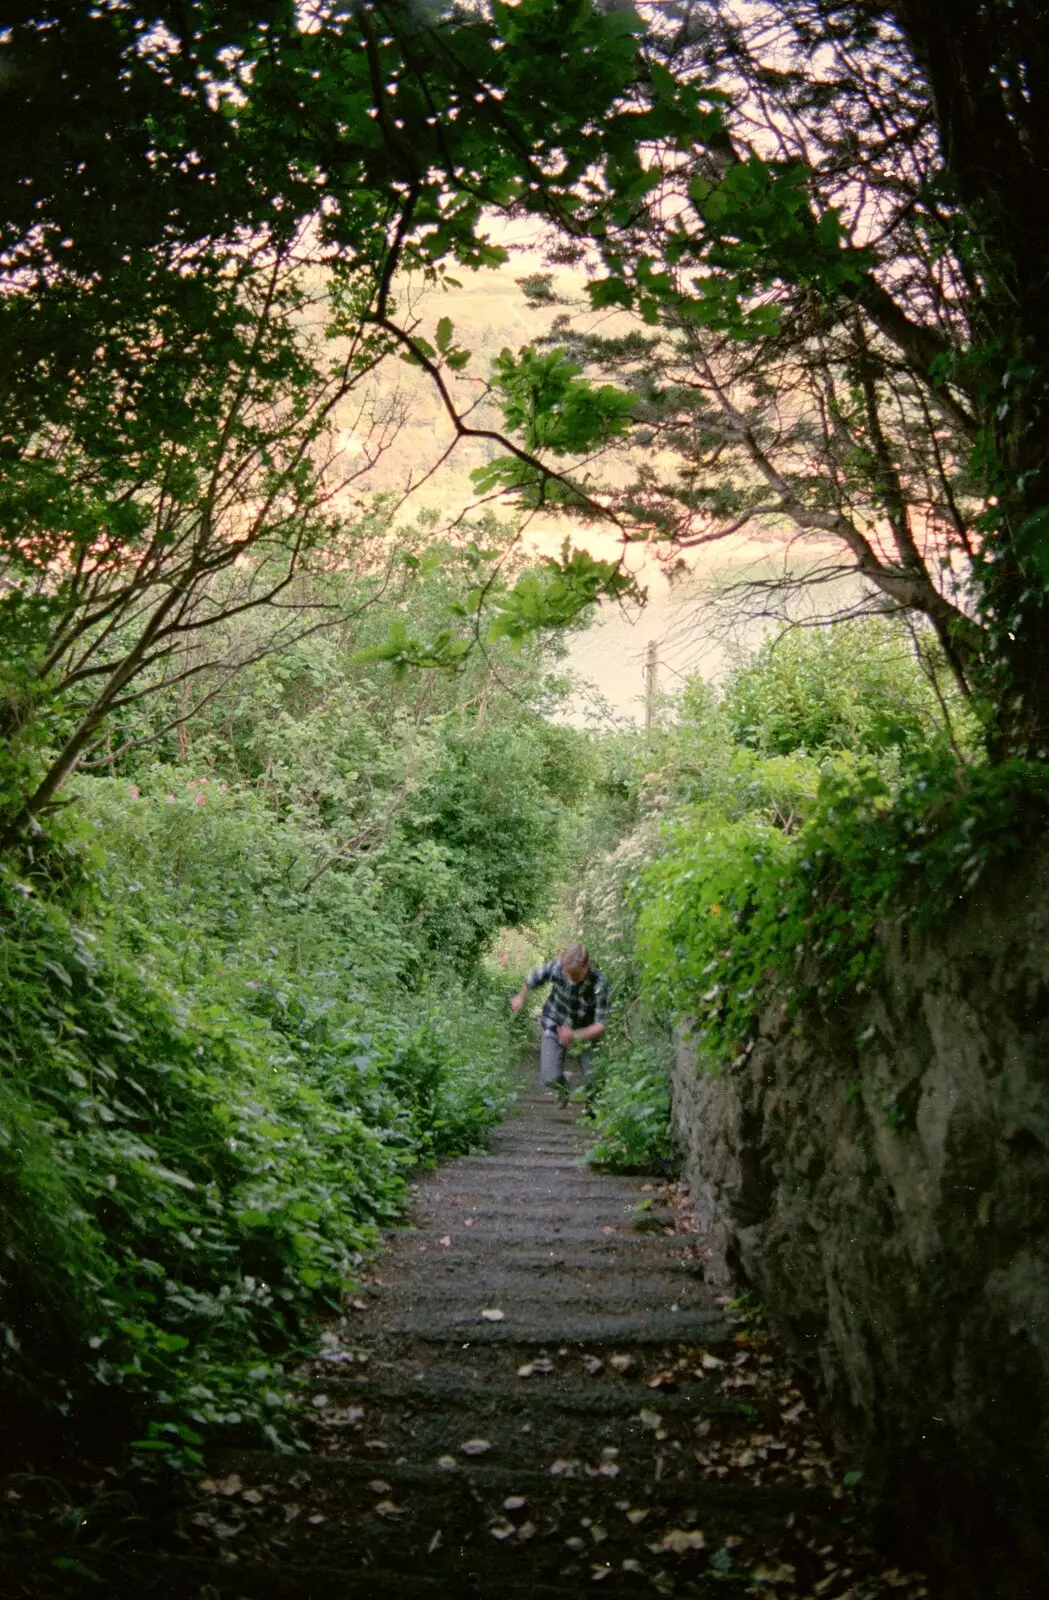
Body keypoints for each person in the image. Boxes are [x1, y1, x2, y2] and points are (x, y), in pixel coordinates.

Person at [510, 942, 609, 1098]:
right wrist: (520, 997)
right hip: (555, 1022)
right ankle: (564, 1089)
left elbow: (600, 1025)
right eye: (567, 973)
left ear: (586, 966)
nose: (570, 978)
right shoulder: (558, 967)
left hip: (585, 1031)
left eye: (575, 975)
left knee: (595, 1080)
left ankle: (593, 1114)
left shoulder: (599, 984)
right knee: (549, 1077)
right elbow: (533, 978)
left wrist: (574, 1035)